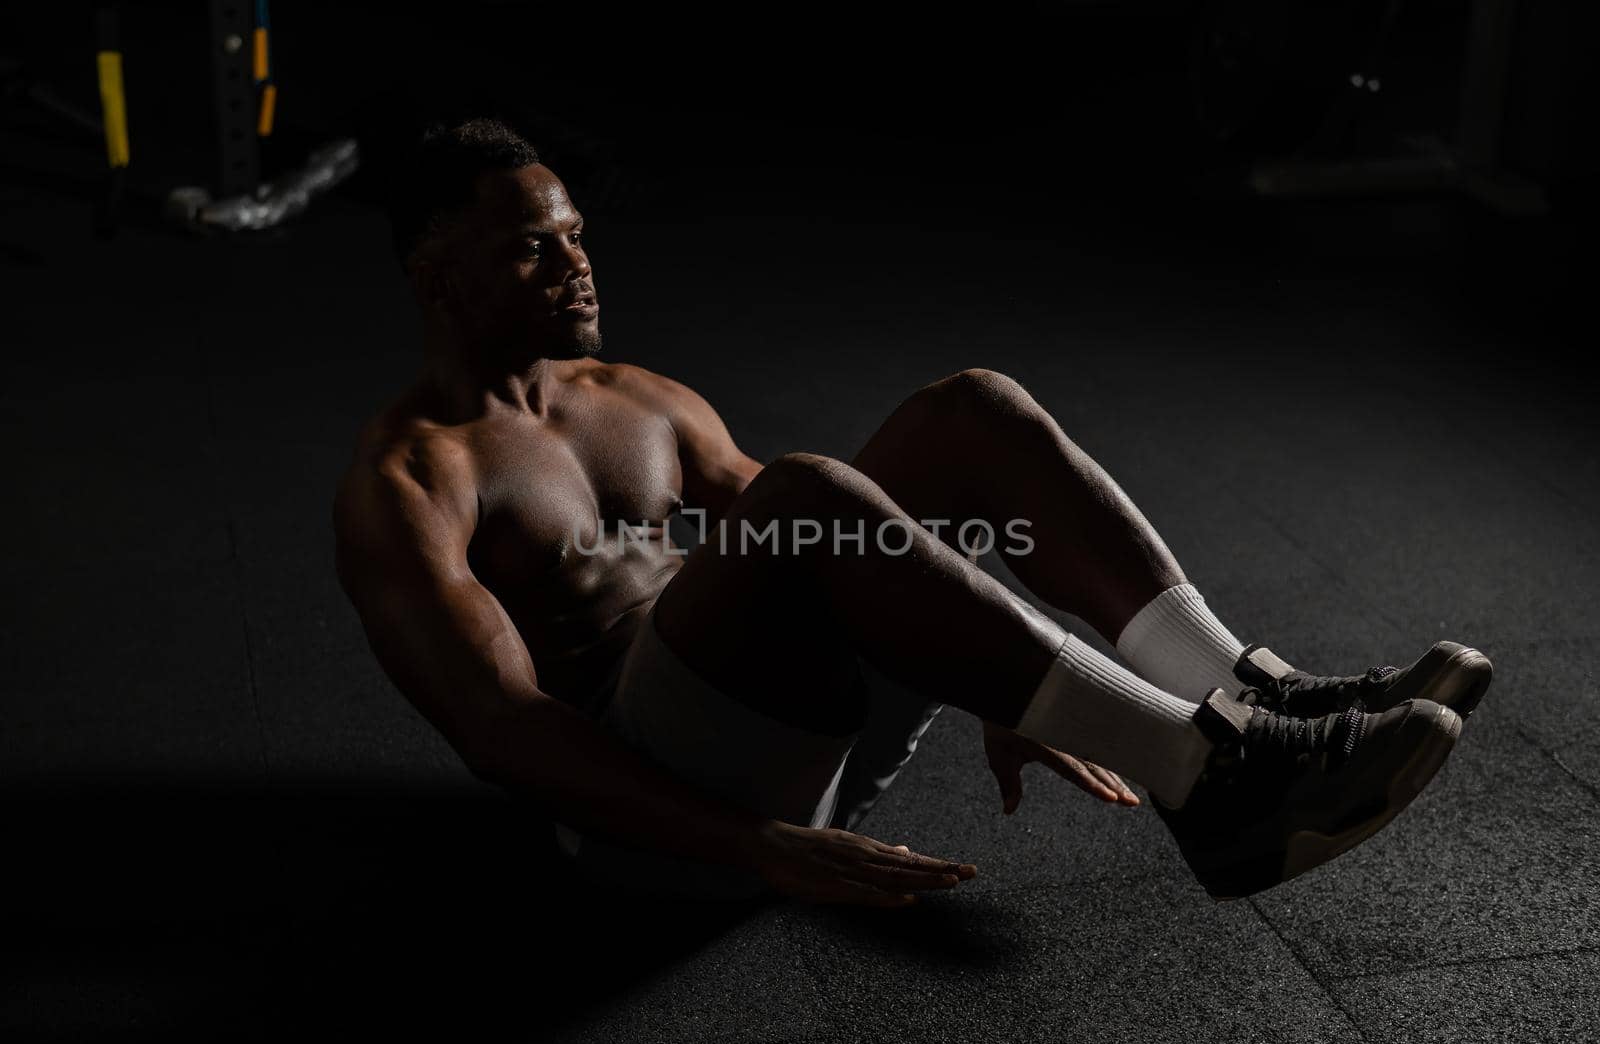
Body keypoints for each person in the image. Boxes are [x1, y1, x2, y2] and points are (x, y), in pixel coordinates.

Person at [333, 119, 1493, 907]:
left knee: (965, 413)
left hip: (791, 741)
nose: (577, 267)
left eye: (579, 236)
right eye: (535, 250)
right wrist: (753, 849)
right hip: (659, 826)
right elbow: (504, 731)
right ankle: (1209, 781)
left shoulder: (634, 400)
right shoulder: (408, 484)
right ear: (438, 276)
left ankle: (1249, 695)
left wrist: (984, 655)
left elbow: (856, 550)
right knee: (804, 490)